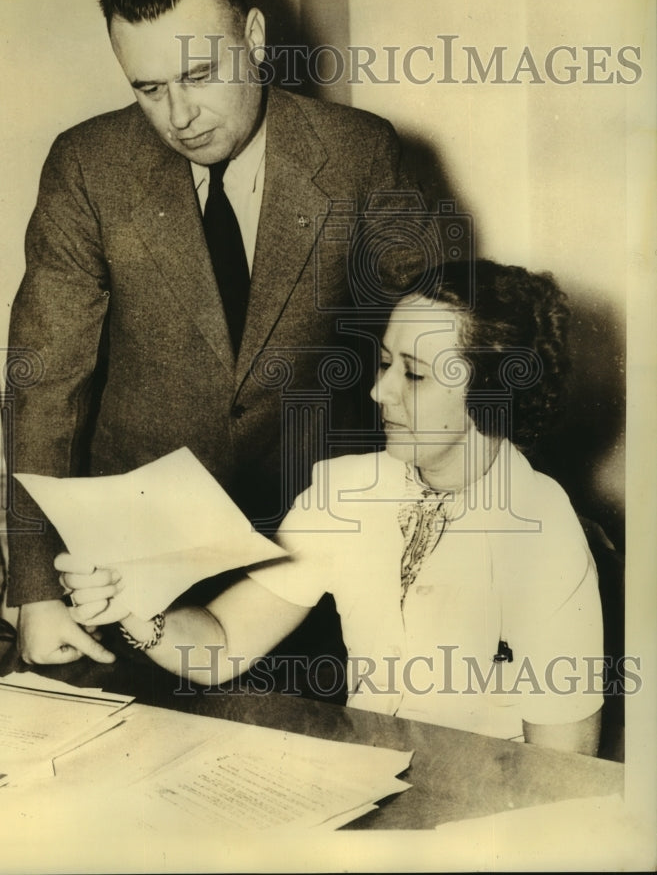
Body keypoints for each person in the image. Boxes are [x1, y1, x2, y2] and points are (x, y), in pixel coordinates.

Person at [6, 0, 430, 667]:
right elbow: (46, 384)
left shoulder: (362, 155)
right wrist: (37, 589)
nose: (180, 114)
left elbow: (430, 348)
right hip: (134, 566)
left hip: (307, 551)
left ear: (255, 38)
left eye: (199, 73)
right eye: (148, 89)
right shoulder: (85, 167)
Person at [56, 259, 605, 753]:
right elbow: (222, 643)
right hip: (362, 780)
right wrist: (130, 604)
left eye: (413, 374)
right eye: (384, 363)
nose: (380, 392)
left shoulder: (542, 529)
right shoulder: (345, 492)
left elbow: (563, 770)